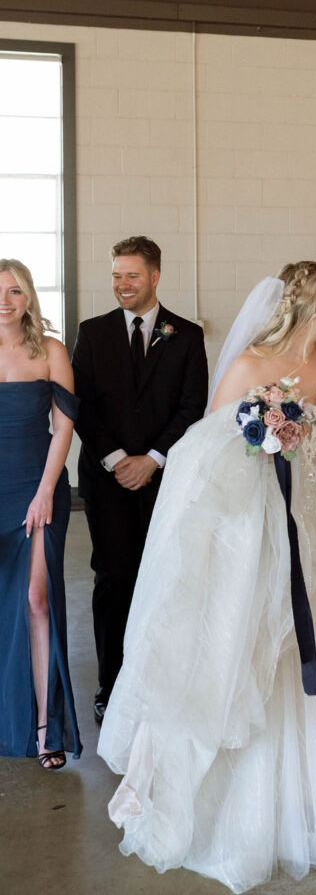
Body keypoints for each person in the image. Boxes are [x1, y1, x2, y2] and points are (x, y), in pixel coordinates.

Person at [97, 262, 316, 891]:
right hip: (265, 527)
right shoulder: (251, 365)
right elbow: (206, 453)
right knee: (266, 653)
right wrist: (264, 447)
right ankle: (251, 814)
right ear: (312, 304)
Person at [72, 236, 208, 724]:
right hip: (107, 481)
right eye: (115, 275)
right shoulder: (92, 332)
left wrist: (152, 459)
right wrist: (116, 459)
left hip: (165, 478)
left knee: (165, 579)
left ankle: (158, 682)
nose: (122, 284)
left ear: (154, 276)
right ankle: (112, 687)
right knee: (113, 579)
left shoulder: (187, 335)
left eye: (131, 275)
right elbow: (80, 404)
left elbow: (193, 406)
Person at [0, 259, 81, 769]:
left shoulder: (50, 350)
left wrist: (47, 491)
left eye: (14, 291)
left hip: (37, 485)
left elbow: (65, 426)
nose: (5, 300)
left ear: (29, 297)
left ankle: (45, 726)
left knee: (36, 600)